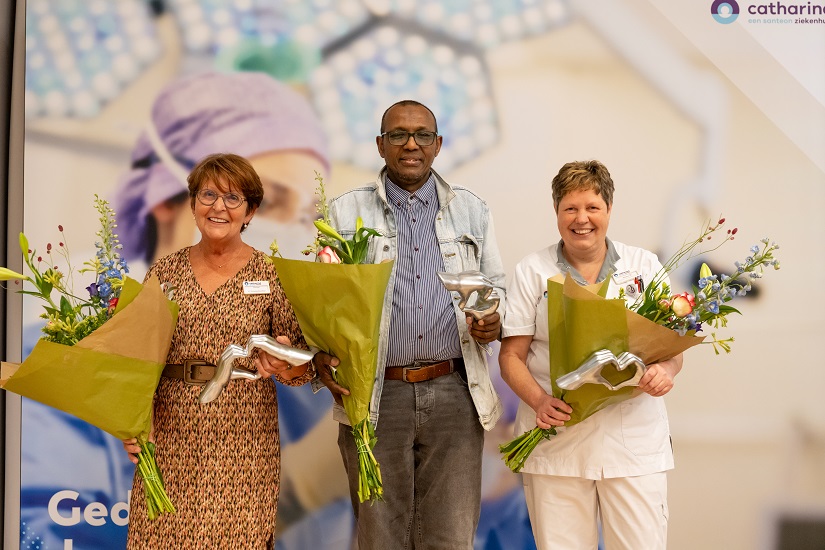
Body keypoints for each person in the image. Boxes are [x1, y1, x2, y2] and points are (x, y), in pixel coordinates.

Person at [315, 99, 506, 549]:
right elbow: (323, 305)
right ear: (381, 145)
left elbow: (496, 289)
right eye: (398, 135)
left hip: (456, 394)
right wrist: (321, 353)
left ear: (438, 145)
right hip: (377, 394)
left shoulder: (470, 211)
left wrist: (492, 321)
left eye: (422, 135)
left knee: (450, 537)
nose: (411, 145)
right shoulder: (343, 214)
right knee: (381, 537)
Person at [121, 153, 319, 548]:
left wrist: (285, 363)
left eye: (233, 199)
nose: (218, 207)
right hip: (170, 432)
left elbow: (303, 372)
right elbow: (135, 360)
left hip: (245, 437)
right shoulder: (164, 272)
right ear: (193, 203)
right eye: (208, 194)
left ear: (251, 212)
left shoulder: (272, 275)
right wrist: (132, 425)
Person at [499, 160, 683, 549]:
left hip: (633, 443)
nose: (581, 219)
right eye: (570, 208)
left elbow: (672, 349)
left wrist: (665, 370)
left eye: (592, 207)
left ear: (609, 210)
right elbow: (511, 357)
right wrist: (538, 401)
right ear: (557, 212)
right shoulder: (533, 270)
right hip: (556, 441)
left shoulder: (644, 267)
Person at [113, 70, 329, 267]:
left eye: (310, 218)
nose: (293, 238)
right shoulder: (89, 302)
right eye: (263, 204)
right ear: (166, 198)